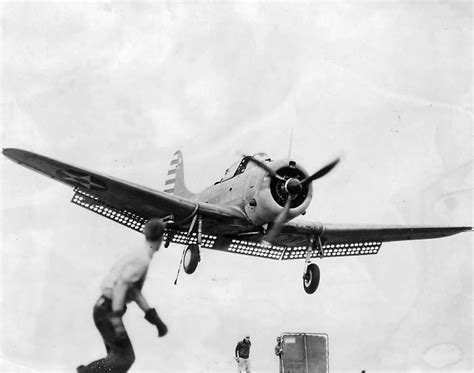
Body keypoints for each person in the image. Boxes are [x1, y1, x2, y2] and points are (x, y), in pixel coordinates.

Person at [77, 218, 168, 373]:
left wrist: (153, 317)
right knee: (124, 358)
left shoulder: (139, 254)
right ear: (161, 238)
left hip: (103, 309)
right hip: (107, 311)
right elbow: (121, 285)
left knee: (115, 360)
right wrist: (117, 317)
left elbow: (133, 290)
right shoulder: (142, 259)